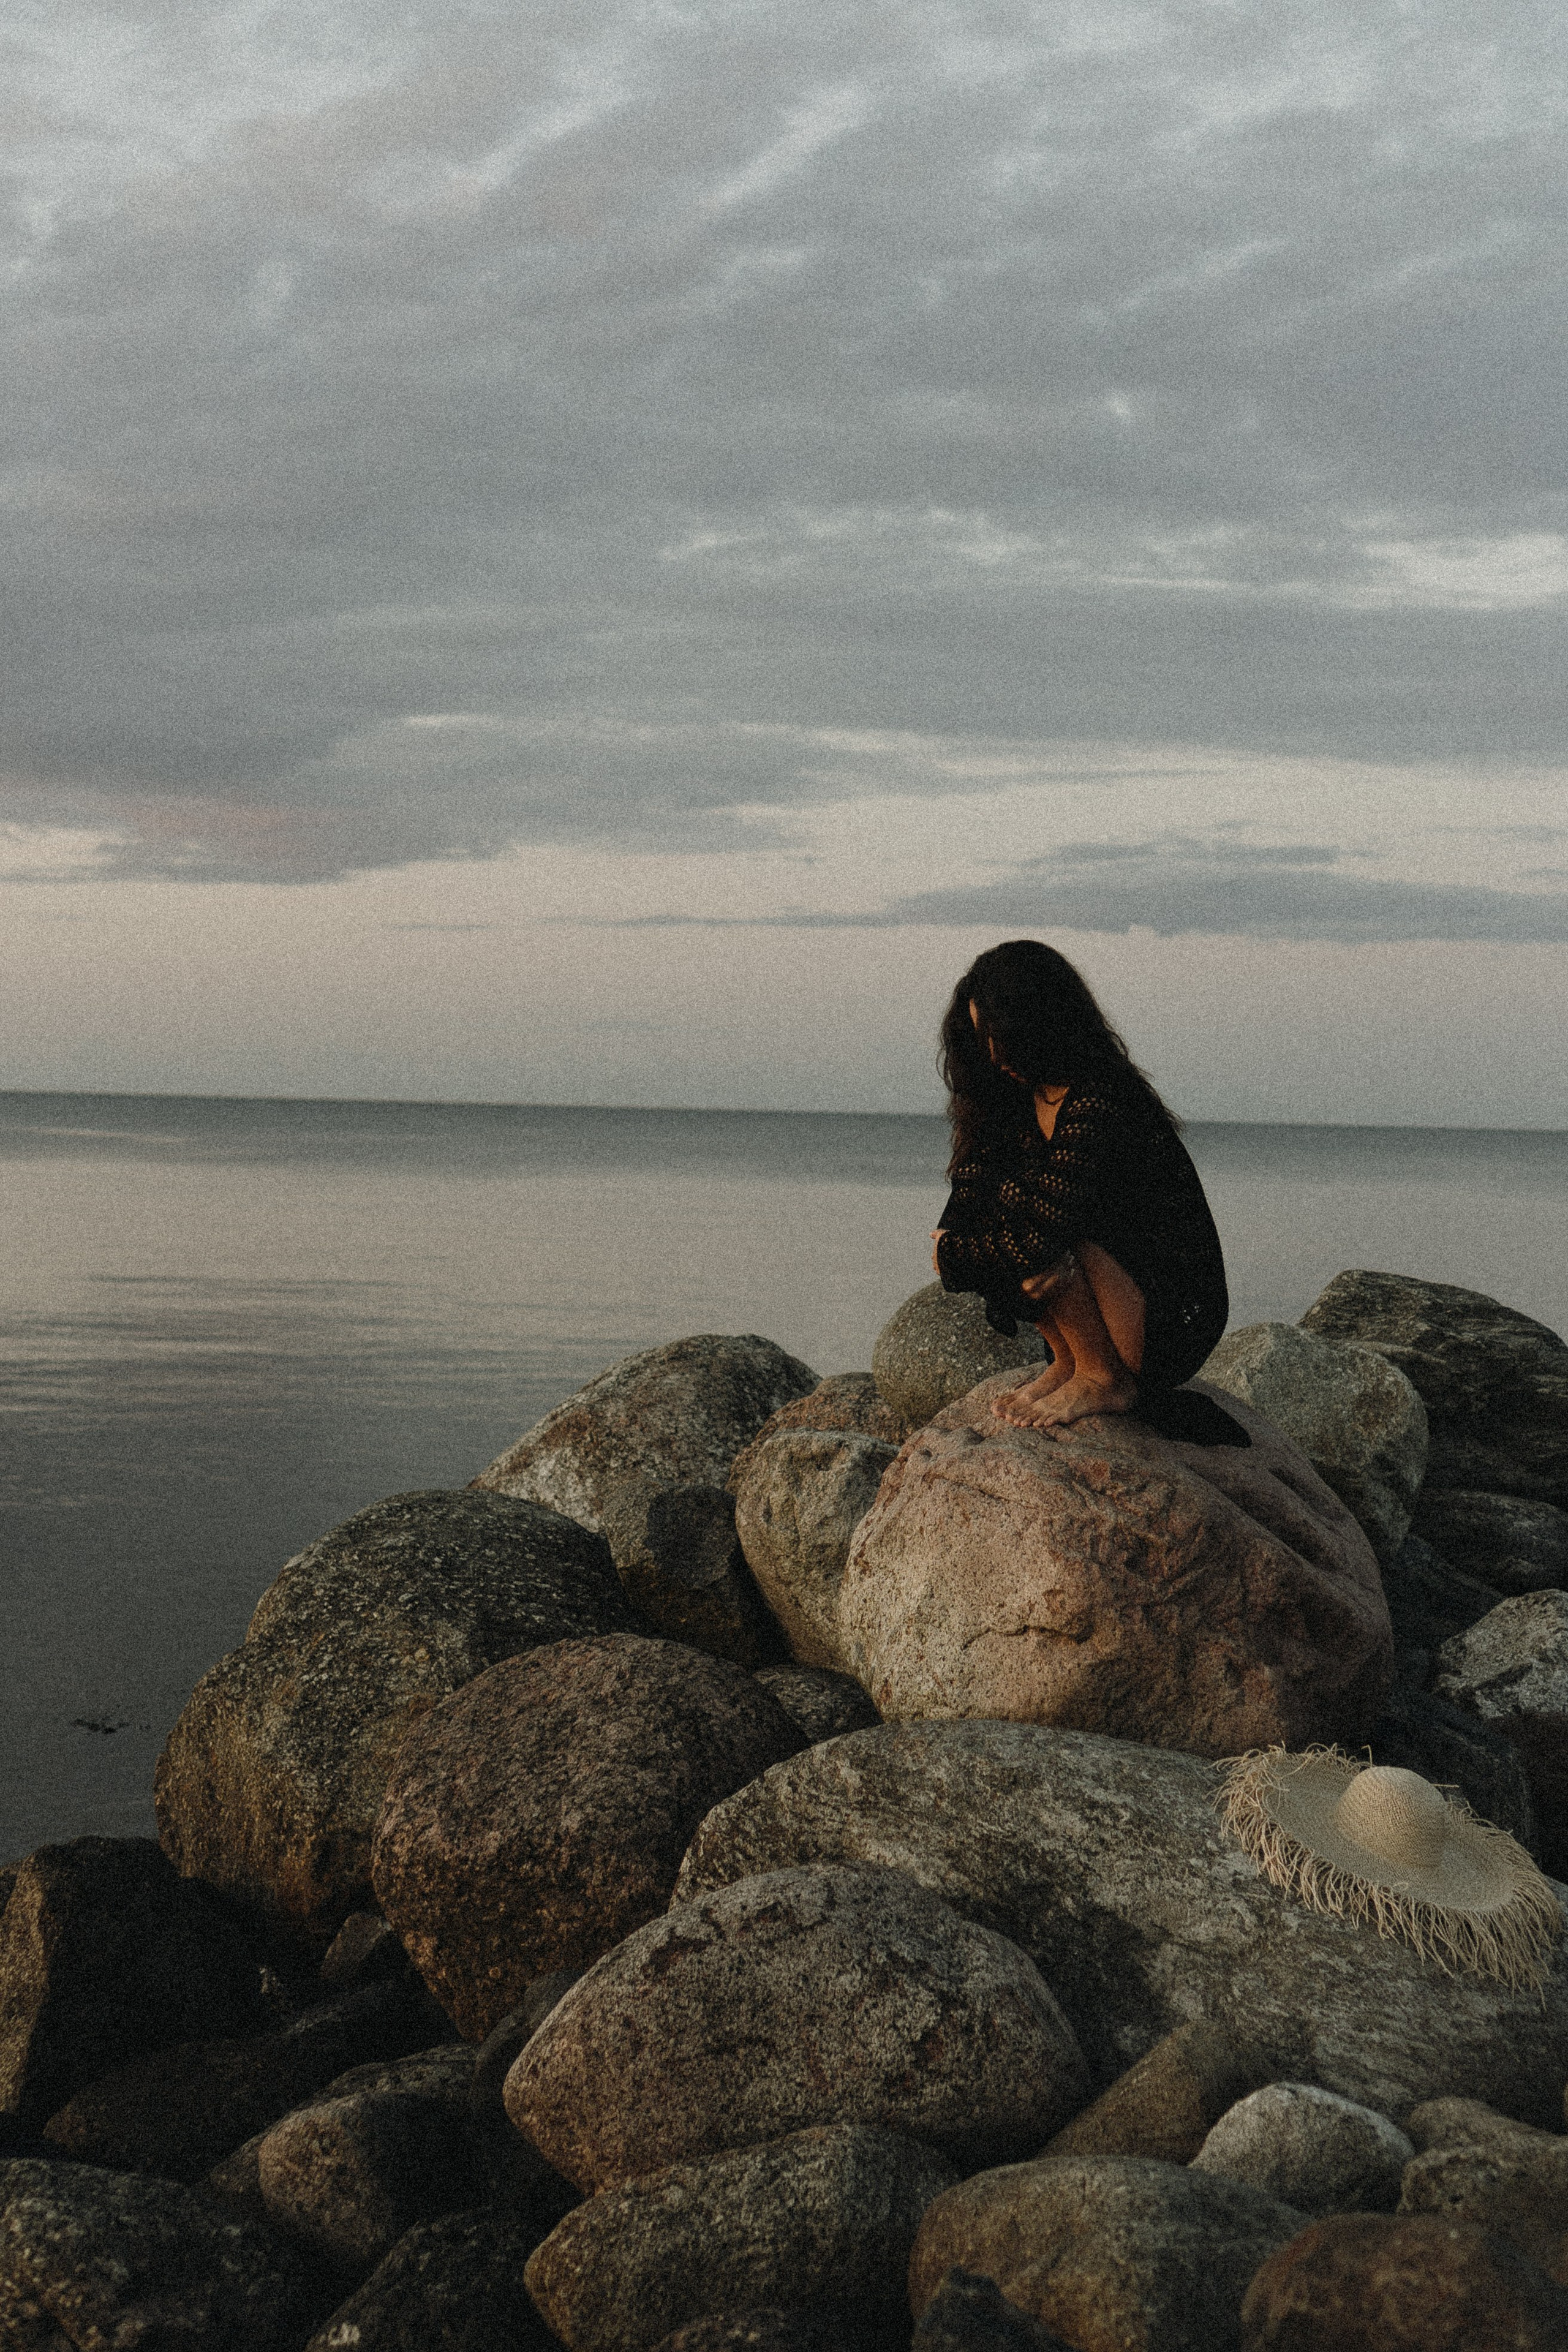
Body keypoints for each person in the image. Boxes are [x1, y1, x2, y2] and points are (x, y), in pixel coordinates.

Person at [931, 938, 1243, 1443]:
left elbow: (1041, 1238)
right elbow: (970, 1202)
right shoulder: (1016, 1099)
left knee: (1044, 1237)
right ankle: (1071, 1361)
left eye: (1002, 1035)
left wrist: (953, 1255)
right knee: (1010, 1217)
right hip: (1102, 1296)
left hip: (1168, 1315)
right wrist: (958, 1244)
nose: (992, 1053)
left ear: (1042, 1023)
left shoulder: (1100, 1098)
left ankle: (1104, 1377)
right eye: (981, 1036)